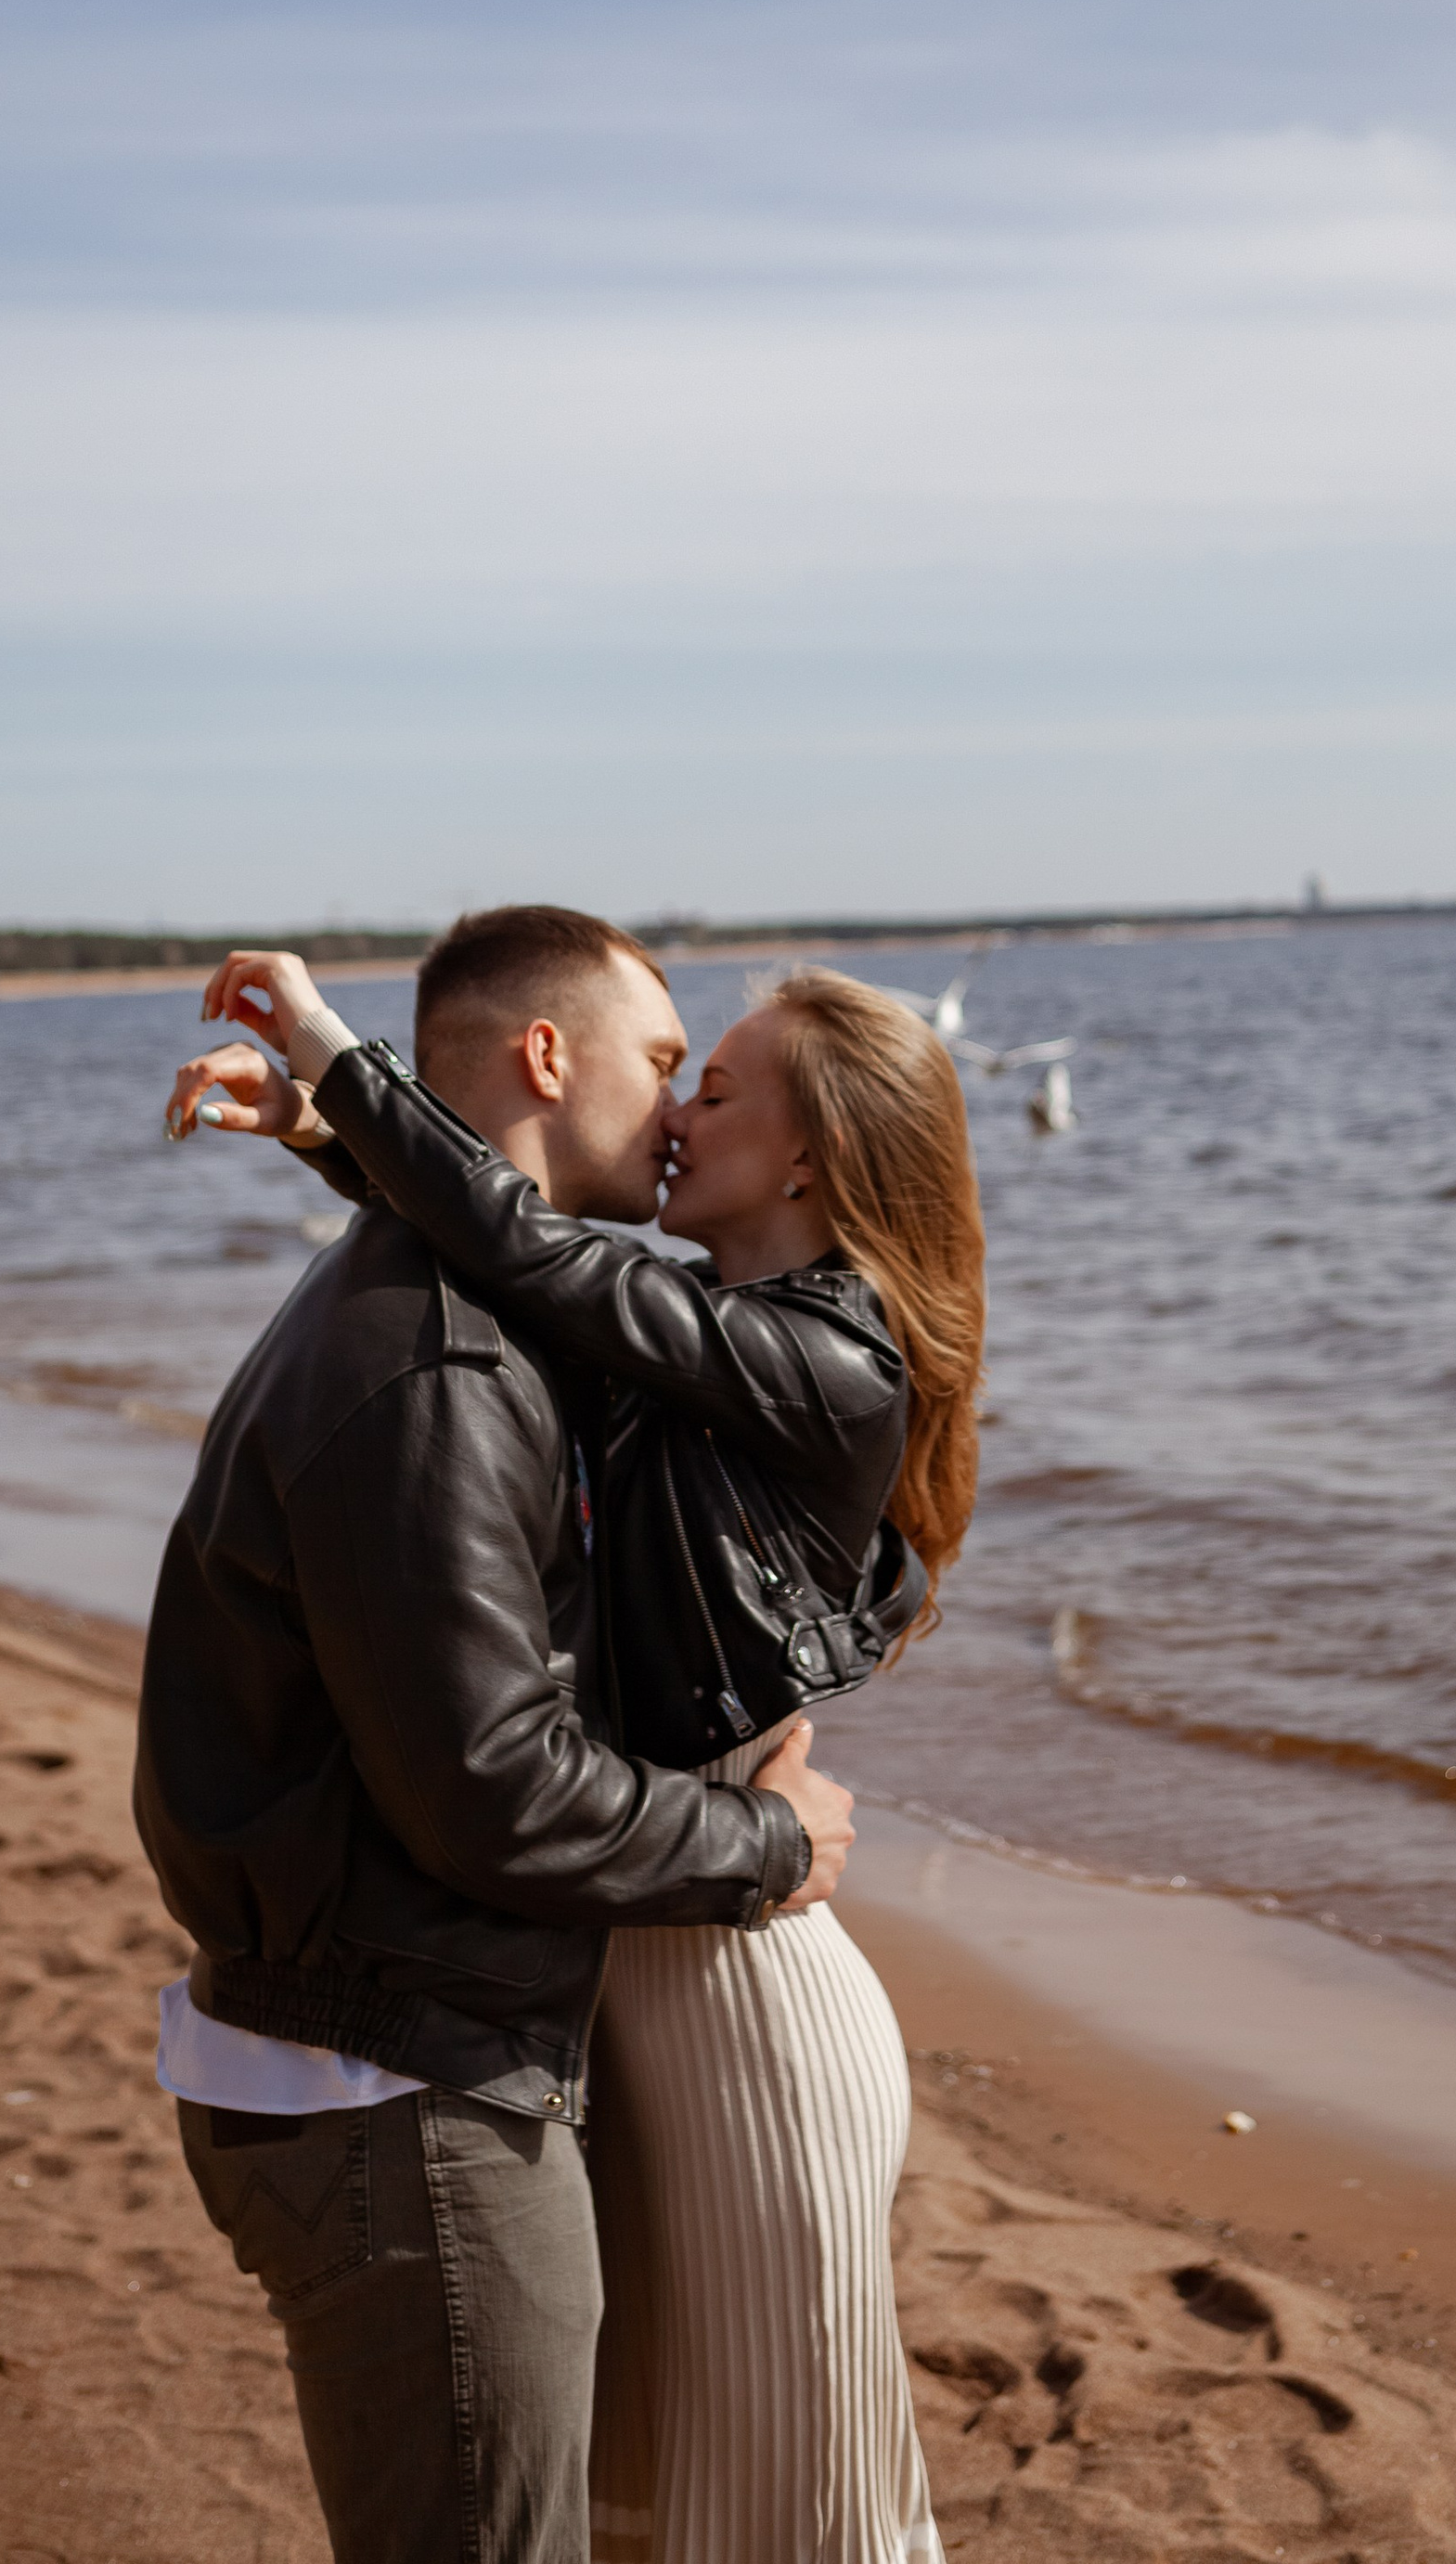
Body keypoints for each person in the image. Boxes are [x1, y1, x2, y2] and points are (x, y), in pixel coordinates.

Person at [171, 929, 984, 2564]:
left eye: (714, 1083)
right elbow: (522, 1269)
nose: (677, 1109)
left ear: (812, 1153)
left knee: (799, 2512)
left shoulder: (831, 1361)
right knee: (649, 2514)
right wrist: (349, 1144)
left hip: (743, 1986)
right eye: (671, 1063)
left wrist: (340, 1071)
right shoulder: (670, 1337)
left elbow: (535, 1259)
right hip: (625, 1959)